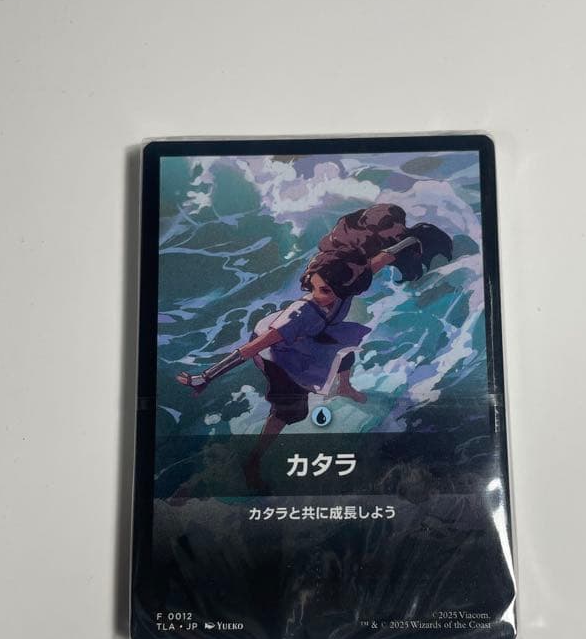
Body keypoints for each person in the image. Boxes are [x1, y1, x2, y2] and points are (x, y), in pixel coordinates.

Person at [176, 205, 452, 488]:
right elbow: (251, 349)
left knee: (343, 346)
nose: (318, 294)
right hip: (277, 352)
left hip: (313, 334)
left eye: (326, 290)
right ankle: (254, 459)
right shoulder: (302, 312)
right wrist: (205, 377)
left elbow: (381, 259)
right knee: (290, 412)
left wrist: (412, 239)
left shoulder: (348, 280)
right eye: (315, 287)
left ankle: (344, 387)